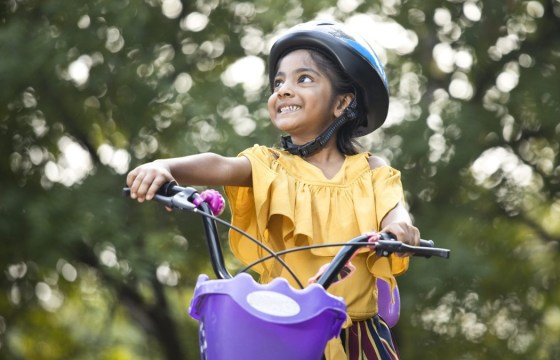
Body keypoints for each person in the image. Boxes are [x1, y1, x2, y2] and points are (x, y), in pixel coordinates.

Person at [126, 20, 420, 360]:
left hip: (359, 336)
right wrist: (166, 166)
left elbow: (394, 210)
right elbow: (218, 164)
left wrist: (398, 227)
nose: (283, 89)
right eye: (278, 81)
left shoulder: (370, 170)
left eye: (304, 79)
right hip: (287, 331)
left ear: (342, 103)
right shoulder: (269, 166)